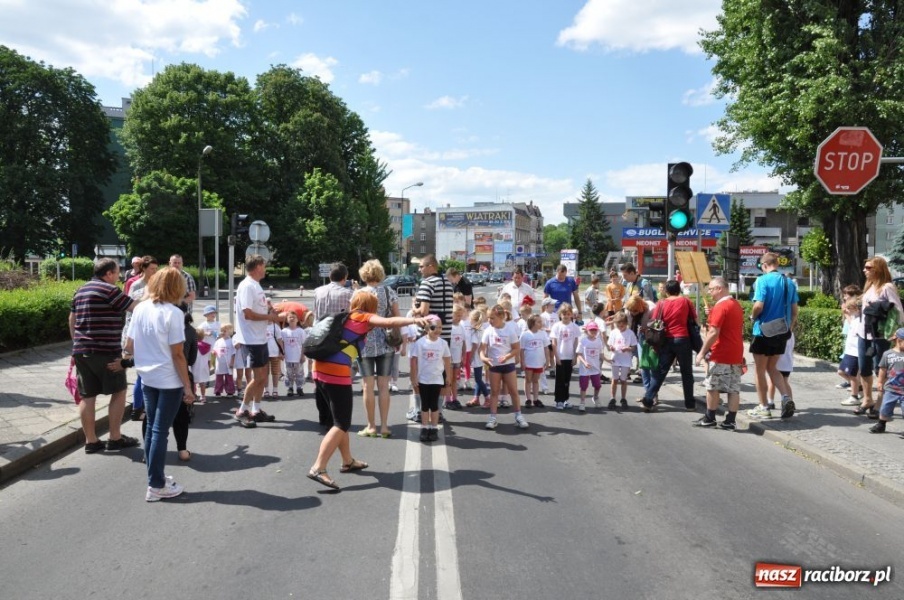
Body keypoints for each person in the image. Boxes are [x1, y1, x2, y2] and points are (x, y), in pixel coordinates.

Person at [307, 290, 428, 490]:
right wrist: (414, 321)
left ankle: (347, 461)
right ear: (371, 307)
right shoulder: (363, 316)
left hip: (319, 370)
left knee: (339, 421)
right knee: (341, 423)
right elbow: (389, 322)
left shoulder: (346, 316)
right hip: (336, 374)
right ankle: (318, 468)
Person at [124, 268, 194, 501]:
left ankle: (156, 478)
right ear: (177, 288)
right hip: (168, 380)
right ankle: (156, 485)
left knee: (153, 429)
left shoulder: (140, 308)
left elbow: (129, 345)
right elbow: (178, 355)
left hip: (146, 377)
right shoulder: (173, 313)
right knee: (159, 432)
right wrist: (188, 387)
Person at [69, 258, 137, 454]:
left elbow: (72, 318)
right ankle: (115, 437)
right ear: (108, 273)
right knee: (119, 391)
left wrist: (77, 343)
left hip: (82, 351)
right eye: (117, 273)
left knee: (87, 396)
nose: (118, 277)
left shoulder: (81, 290)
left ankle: (91, 441)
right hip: (106, 351)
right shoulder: (110, 290)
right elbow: (135, 307)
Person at [233, 254, 283, 428]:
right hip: (250, 339)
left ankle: (256, 410)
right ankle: (242, 411)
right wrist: (270, 317)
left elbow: (257, 309)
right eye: (264, 265)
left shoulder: (256, 285)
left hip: (259, 338)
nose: (266, 269)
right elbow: (247, 313)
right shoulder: (247, 286)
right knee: (259, 377)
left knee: (262, 377)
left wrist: (270, 310)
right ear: (257, 267)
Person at [748, 253, 799, 419]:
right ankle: (786, 397)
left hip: (762, 331)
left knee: (760, 370)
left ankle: (764, 407)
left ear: (764, 265)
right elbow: (794, 310)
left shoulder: (762, 281)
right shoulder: (789, 282)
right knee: (773, 368)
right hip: (781, 332)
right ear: (777, 264)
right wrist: (789, 328)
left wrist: (752, 317)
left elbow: (758, 305)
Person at [693, 277, 745, 430]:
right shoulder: (735, 304)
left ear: (719, 289)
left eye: (711, 289)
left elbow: (714, 332)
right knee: (733, 388)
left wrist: (701, 352)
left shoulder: (721, 306)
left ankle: (710, 417)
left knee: (712, 386)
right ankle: (730, 420)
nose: (709, 293)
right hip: (735, 352)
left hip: (720, 352)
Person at [640, 280, 699, 413]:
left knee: (660, 372)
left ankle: (648, 401)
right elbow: (696, 320)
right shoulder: (686, 301)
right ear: (679, 289)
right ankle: (690, 404)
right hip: (683, 339)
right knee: (687, 373)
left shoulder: (661, 304)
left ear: (666, 291)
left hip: (666, 340)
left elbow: (654, 322)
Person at [855, 256, 903, 418]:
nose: (865, 270)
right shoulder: (870, 286)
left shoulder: (887, 287)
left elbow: (898, 310)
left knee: (880, 369)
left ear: (879, 269)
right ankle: (867, 399)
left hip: (881, 335)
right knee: (864, 366)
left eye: (868, 268)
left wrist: (895, 332)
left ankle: (880, 403)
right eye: (865, 267)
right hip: (864, 333)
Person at [357, 259, 400, 438]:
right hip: (386, 342)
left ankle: (371, 426)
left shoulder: (359, 294)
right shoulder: (388, 291)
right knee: (383, 385)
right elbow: (397, 317)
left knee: (367, 386)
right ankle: (384, 427)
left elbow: (354, 318)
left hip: (364, 342)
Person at [478, 304, 529, 430]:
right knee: (494, 392)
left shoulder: (509, 330)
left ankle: (518, 416)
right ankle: (493, 417)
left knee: (513, 391)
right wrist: (484, 358)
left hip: (508, 365)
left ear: (501, 317)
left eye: (492, 318)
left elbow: (516, 348)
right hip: (494, 366)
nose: (490, 320)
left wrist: (507, 357)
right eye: (489, 318)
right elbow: (482, 349)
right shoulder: (488, 331)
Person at [410, 315, 453, 442]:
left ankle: (433, 428)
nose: (438, 330)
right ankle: (424, 427)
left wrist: (448, 377)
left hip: (437, 379)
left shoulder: (443, 343)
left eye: (440, 327)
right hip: (423, 379)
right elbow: (414, 361)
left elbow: (447, 360)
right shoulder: (420, 343)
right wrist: (413, 377)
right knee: (424, 405)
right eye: (435, 327)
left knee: (434, 405)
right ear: (427, 328)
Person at [413, 254, 455, 343]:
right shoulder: (447, 282)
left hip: (429, 333)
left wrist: (414, 306)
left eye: (421, 267)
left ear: (431, 266)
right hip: (446, 332)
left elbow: (424, 311)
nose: (419, 270)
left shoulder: (427, 283)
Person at [870, 328, 904, 434]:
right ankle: (881, 424)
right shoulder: (888, 354)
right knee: (885, 407)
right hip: (891, 387)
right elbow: (883, 369)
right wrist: (880, 382)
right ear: (899, 340)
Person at [550, 303, 581, 410]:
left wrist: (575, 356)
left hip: (570, 357)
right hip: (560, 356)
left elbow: (576, 342)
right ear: (560, 314)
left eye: (568, 314)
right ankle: (558, 400)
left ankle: (565, 400)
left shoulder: (575, 327)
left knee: (567, 380)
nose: (566, 316)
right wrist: (556, 357)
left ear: (571, 315)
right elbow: (554, 342)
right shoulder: (556, 326)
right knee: (560, 379)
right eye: (564, 314)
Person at [605, 312, 637, 410]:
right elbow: (610, 345)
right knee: (614, 379)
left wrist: (628, 348)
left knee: (623, 380)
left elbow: (634, 347)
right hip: (616, 358)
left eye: (622, 326)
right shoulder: (614, 332)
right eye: (618, 326)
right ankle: (612, 398)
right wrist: (611, 347)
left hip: (625, 360)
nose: (620, 328)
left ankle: (623, 398)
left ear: (626, 323)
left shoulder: (630, 333)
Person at [624, 295, 656, 393]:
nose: (632, 313)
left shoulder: (651, 308)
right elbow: (629, 326)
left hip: (651, 338)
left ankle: (653, 392)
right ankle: (648, 393)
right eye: (631, 311)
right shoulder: (628, 310)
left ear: (641, 307)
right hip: (639, 337)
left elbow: (657, 325)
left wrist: (646, 329)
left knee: (651, 365)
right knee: (644, 365)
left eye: (635, 311)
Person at [520, 314, 550, 408]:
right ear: (532, 323)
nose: (541, 323)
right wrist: (522, 361)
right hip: (529, 362)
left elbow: (546, 348)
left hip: (539, 362)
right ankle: (528, 399)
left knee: (536, 380)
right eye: (539, 322)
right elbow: (521, 349)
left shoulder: (543, 333)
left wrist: (547, 359)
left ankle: (536, 399)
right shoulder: (525, 334)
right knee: (528, 380)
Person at [838, 298, 863, 406]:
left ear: (857, 309)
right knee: (841, 371)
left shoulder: (861, 320)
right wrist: (847, 314)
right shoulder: (856, 318)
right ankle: (860, 388)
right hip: (850, 351)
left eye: (850, 308)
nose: (848, 309)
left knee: (852, 375)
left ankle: (854, 396)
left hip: (855, 351)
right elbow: (851, 323)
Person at [576, 320, 606, 410]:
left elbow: (601, 354)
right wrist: (585, 362)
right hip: (585, 369)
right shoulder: (583, 341)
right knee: (584, 386)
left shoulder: (599, 342)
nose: (593, 332)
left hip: (595, 368)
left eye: (595, 330)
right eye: (591, 330)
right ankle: (582, 402)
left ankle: (595, 397)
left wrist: (608, 360)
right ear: (587, 331)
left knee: (597, 385)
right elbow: (579, 354)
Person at [466, 309, 492, 408]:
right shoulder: (482, 329)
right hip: (482, 355)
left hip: (477, 357)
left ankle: (487, 398)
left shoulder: (475, 331)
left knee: (478, 379)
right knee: (479, 378)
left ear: (473, 319)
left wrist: (470, 357)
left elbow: (474, 345)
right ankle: (476, 398)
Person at [281, 312, 306, 397]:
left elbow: (303, 344)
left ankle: (299, 388)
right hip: (288, 357)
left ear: (297, 320)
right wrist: (282, 353)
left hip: (298, 357)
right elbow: (282, 344)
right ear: (287, 320)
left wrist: (302, 355)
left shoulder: (301, 331)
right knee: (288, 374)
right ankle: (290, 388)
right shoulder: (284, 331)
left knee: (299, 373)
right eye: (290, 317)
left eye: (294, 317)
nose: (292, 319)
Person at [213, 323, 236, 396]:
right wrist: (214, 352)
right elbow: (214, 350)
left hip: (228, 363)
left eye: (224, 331)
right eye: (221, 331)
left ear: (229, 331)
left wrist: (232, 362)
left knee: (229, 378)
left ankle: (230, 391)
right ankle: (218, 391)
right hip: (220, 363)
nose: (222, 332)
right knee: (219, 378)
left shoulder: (231, 341)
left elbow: (233, 353)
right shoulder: (218, 341)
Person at [264, 318, 284, 397]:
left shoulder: (276, 327)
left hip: (275, 353)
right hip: (263, 353)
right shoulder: (261, 326)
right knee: (265, 373)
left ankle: (275, 390)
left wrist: (281, 352)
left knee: (275, 373)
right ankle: (266, 390)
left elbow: (279, 340)